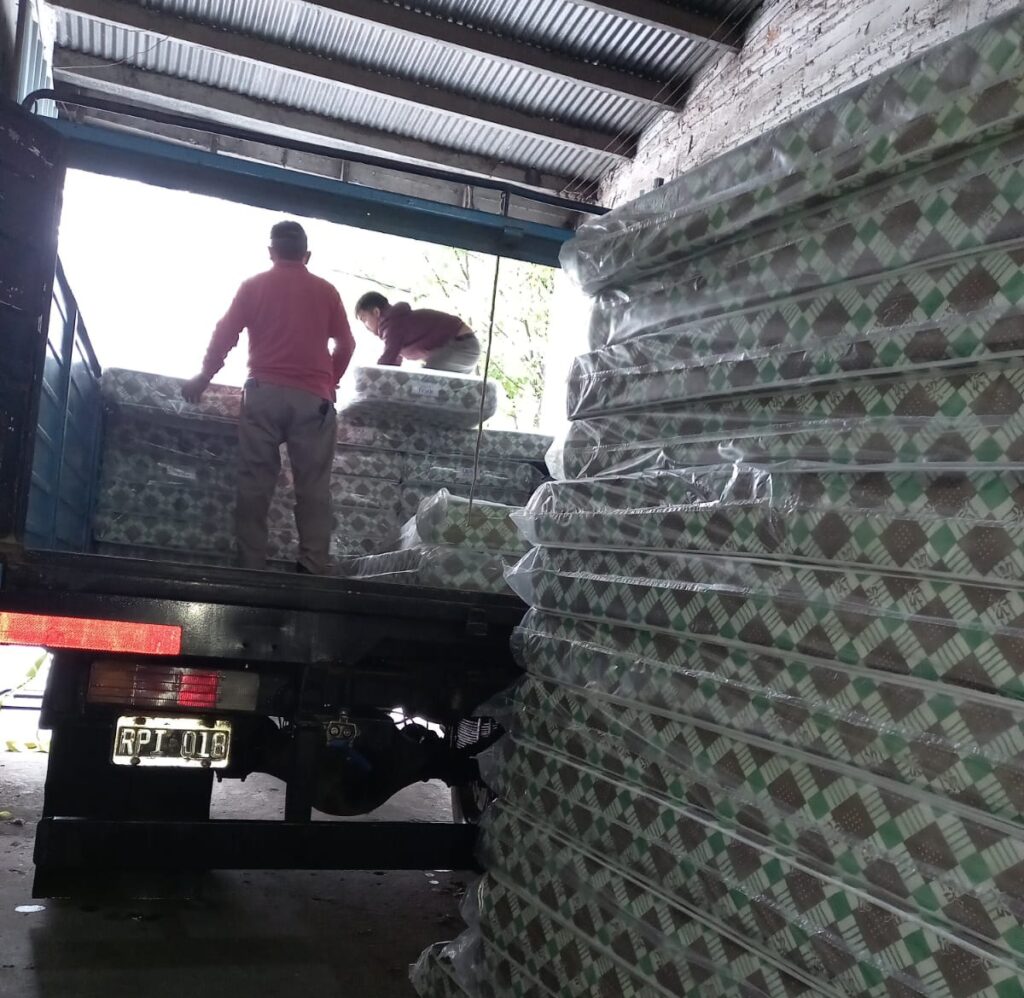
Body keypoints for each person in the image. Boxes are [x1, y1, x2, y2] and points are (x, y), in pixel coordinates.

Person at [181, 221, 355, 575]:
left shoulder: (253, 286)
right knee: (313, 488)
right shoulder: (327, 291)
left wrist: (204, 376)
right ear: (307, 255)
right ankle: (311, 567)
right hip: (313, 401)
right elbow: (346, 345)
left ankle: (252, 570)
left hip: (263, 395)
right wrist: (329, 382)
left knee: (255, 485)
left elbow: (225, 333)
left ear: (271, 252)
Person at [354, 291, 481, 373]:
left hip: (461, 345)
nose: (365, 326)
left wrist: (369, 379)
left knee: (425, 381)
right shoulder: (397, 323)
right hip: (466, 348)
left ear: (376, 312)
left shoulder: (393, 323)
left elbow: (388, 360)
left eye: (364, 319)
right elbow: (394, 361)